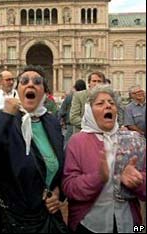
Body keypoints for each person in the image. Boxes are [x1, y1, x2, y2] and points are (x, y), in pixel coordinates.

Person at [0, 66, 68, 233]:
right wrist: (4, 116)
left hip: (46, 218)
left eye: (37, 82)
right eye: (24, 81)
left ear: (44, 92)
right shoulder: (4, 120)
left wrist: (58, 192)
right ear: (18, 91)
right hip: (12, 221)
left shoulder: (51, 123)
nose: (30, 84)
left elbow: (57, 166)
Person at [62, 85, 146, 233]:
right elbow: (69, 188)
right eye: (100, 103)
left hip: (132, 225)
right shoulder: (77, 142)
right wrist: (99, 178)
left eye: (111, 103)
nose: (108, 105)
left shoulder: (134, 140)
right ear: (89, 111)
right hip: (88, 225)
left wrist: (138, 181)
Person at [58, 79, 86, 147]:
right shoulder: (87, 96)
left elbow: (62, 111)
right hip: (84, 126)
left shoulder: (70, 97)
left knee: (67, 146)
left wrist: (60, 121)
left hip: (71, 126)